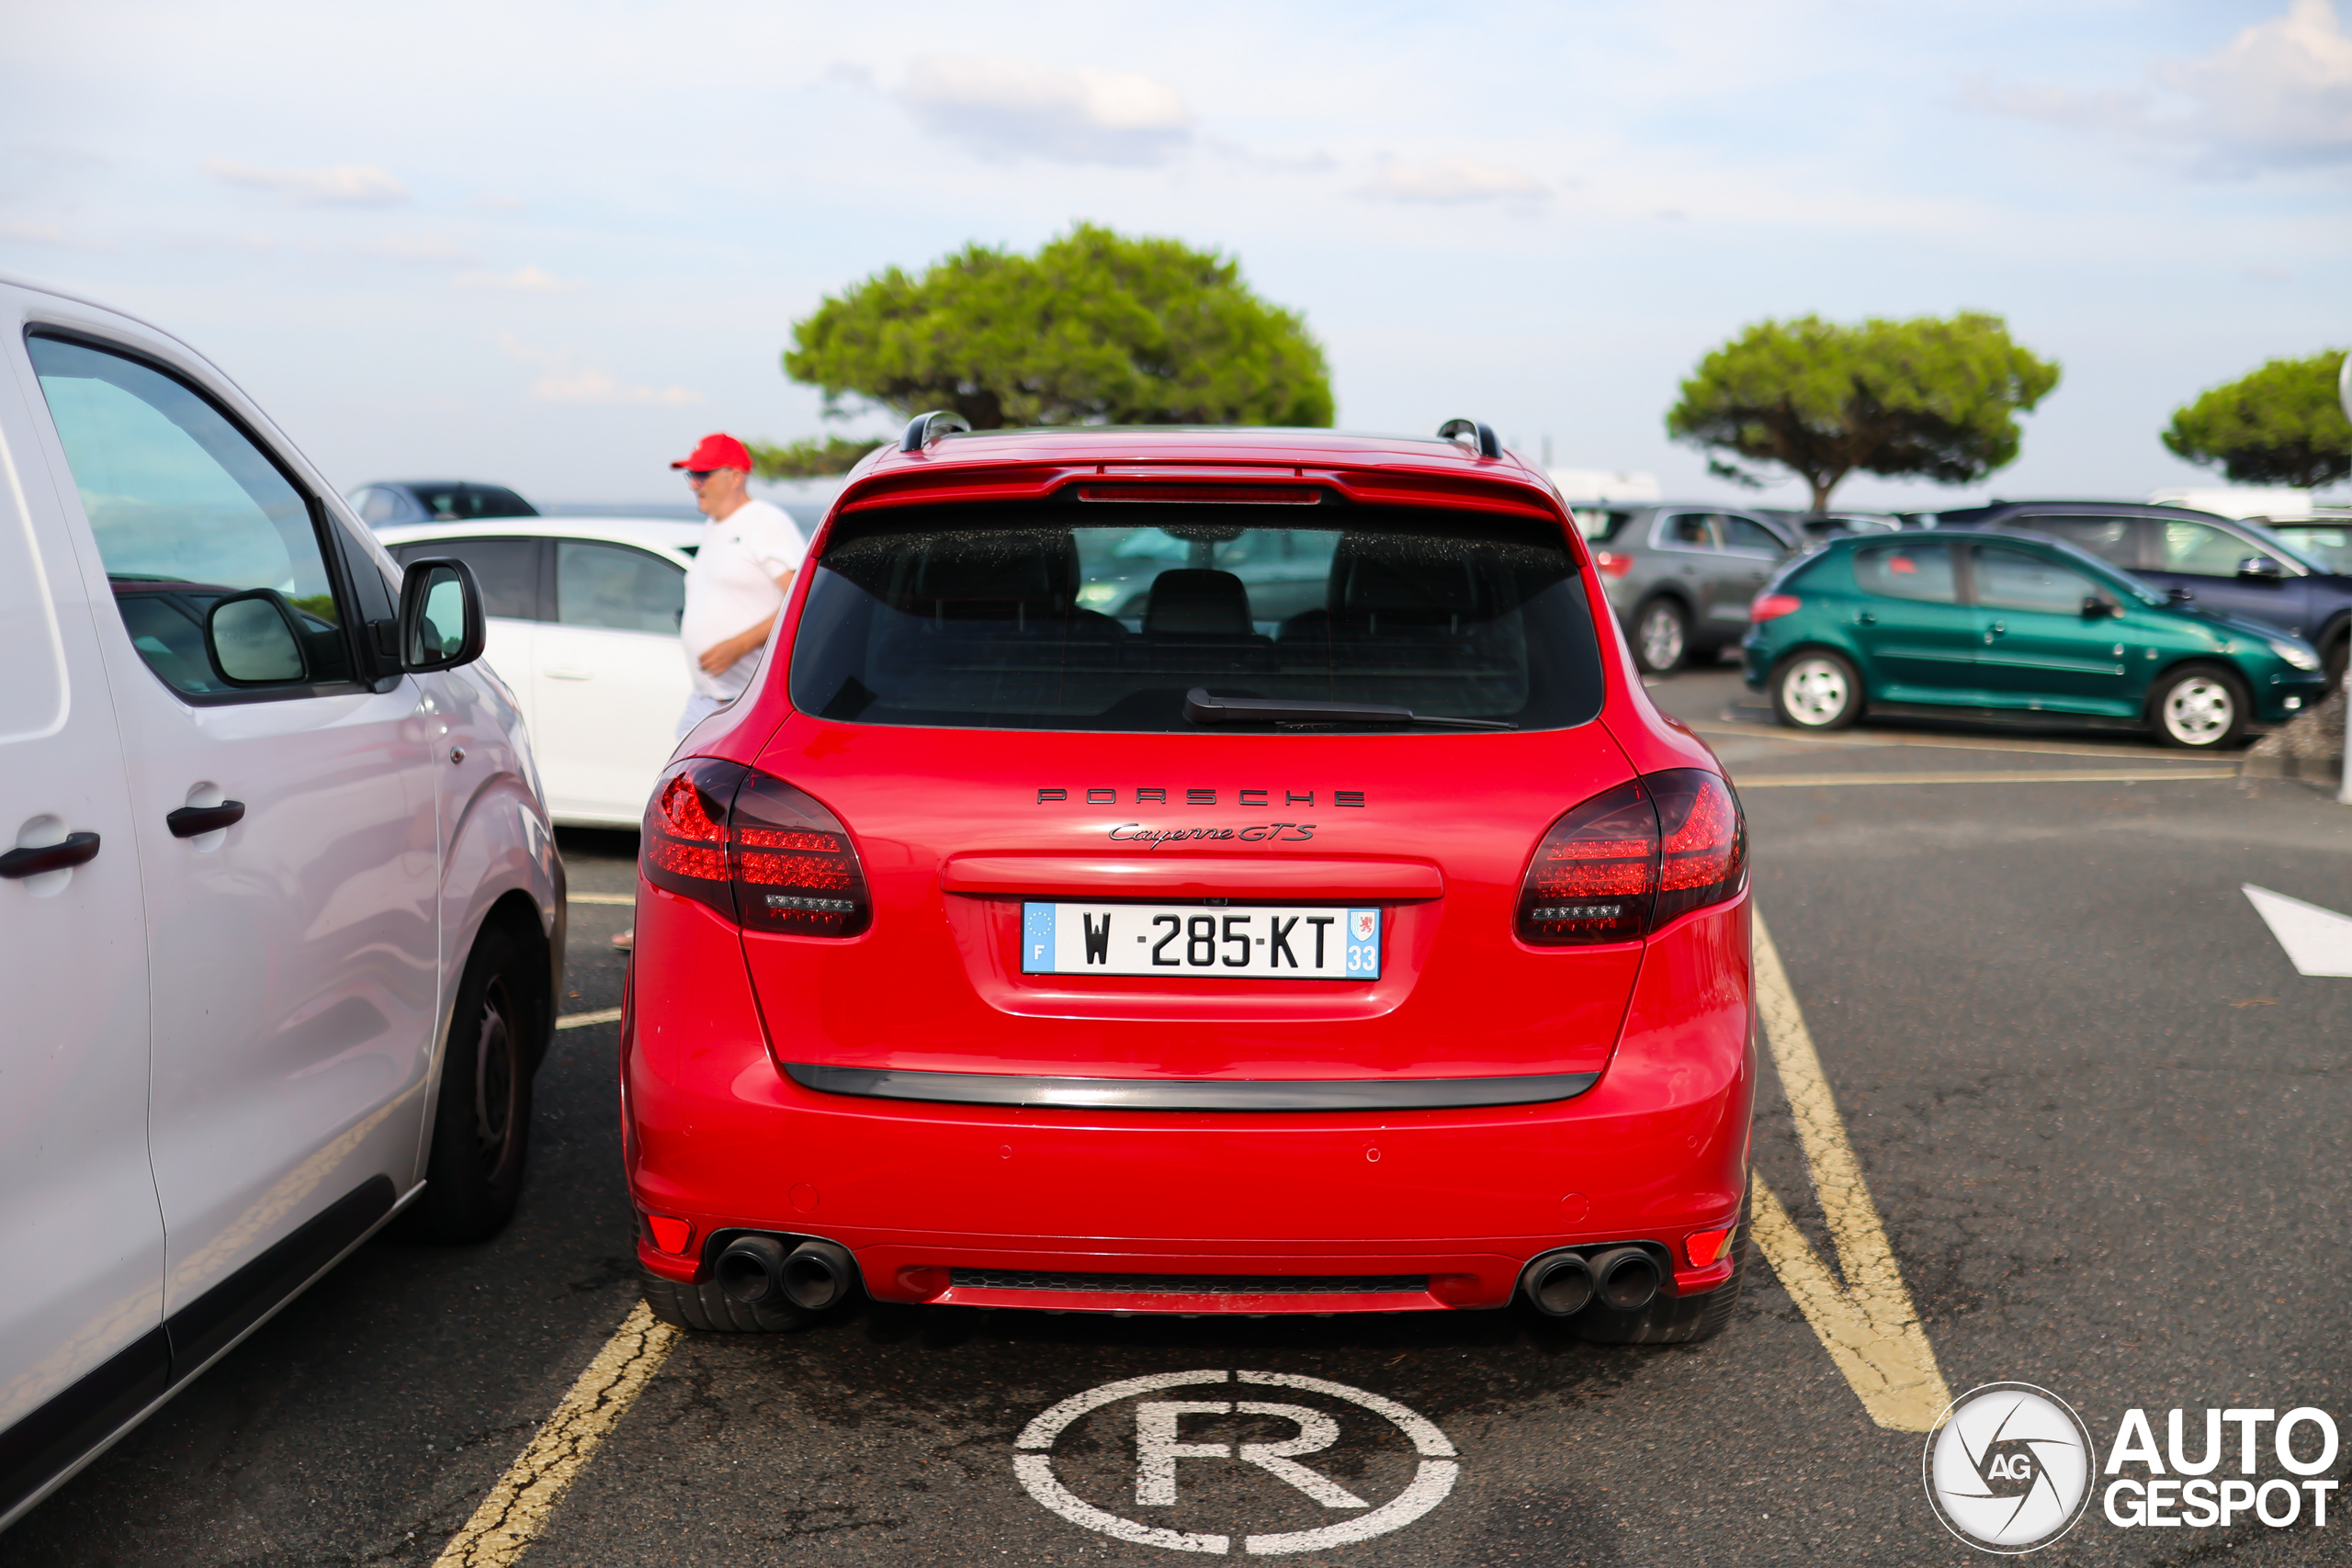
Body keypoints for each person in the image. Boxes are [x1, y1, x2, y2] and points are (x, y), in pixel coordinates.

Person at [615, 433, 806, 952]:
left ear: (735, 476)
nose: (694, 484)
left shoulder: (763, 522)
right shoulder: (716, 529)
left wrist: (739, 643)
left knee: (729, 823)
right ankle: (669, 926)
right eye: (690, 475)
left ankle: (709, 933)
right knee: (680, 819)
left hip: (743, 704)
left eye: (702, 474)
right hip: (707, 702)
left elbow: (800, 596)